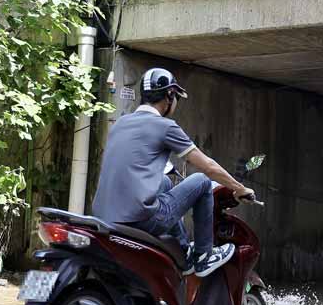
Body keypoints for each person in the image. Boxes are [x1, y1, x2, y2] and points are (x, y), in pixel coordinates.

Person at [91, 68, 255, 277]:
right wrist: (240, 189)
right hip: (141, 219)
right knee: (202, 181)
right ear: (169, 95)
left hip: (104, 218)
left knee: (166, 183)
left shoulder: (120, 123)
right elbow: (208, 166)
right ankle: (203, 257)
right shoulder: (165, 126)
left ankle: (184, 252)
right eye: (176, 97)